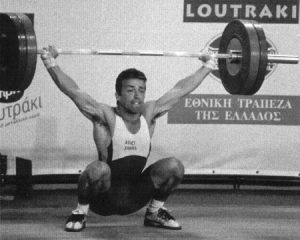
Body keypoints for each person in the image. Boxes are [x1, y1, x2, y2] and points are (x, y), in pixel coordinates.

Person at [41, 46, 216, 231]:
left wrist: (208, 66)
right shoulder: (105, 116)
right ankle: (80, 212)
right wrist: (50, 62)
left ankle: (154, 212)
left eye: (141, 90)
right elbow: (73, 91)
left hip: (135, 197)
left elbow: (180, 90)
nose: (137, 95)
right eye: (130, 90)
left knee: (174, 166)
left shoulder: (149, 113)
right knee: (97, 169)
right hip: (103, 199)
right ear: (118, 95)